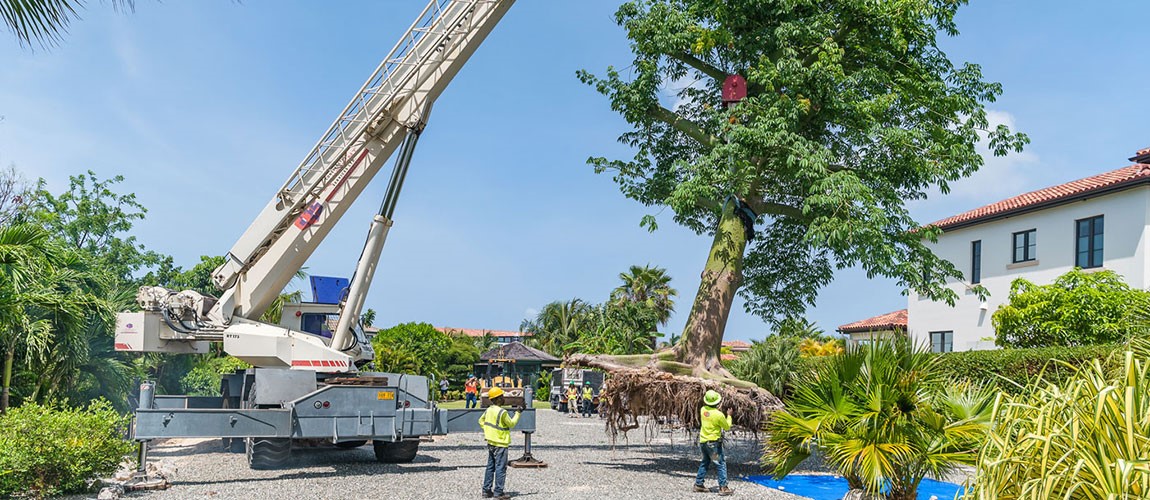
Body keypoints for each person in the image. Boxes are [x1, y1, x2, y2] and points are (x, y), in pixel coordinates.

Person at [479, 386, 520, 499]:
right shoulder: (502, 412)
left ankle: (486, 491)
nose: (504, 398)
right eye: (502, 396)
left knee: (490, 467)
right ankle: (498, 492)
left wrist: (489, 430)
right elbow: (511, 424)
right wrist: (518, 412)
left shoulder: (489, 410)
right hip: (501, 443)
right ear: (497, 399)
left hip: (491, 442)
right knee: (500, 468)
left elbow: (481, 421)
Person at [694, 389, 733, 496]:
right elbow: (727, 427)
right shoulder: (719, 415)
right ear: (717, 402)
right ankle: (723, 487)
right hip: (713, 444)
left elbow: (710, 411)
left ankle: (698, 484)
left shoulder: (703, 410)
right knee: (720, 463)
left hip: (703, 442)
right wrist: (729, 415)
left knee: (705, 461)